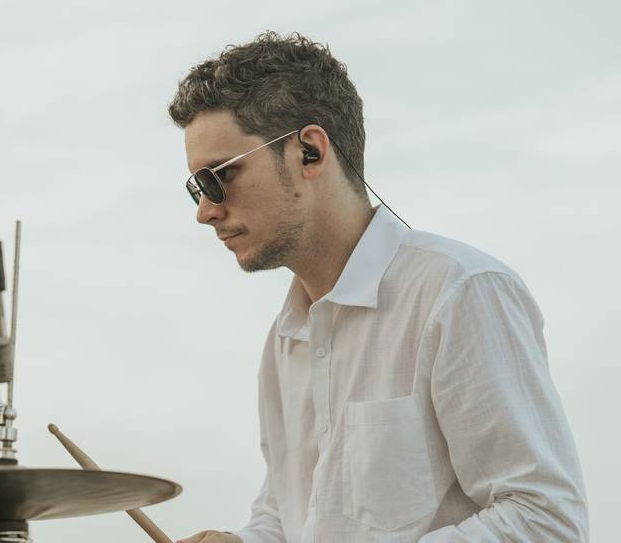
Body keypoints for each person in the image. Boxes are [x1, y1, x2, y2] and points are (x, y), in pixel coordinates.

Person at [169, 32, 588, 543]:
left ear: (309, 151)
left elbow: (545, 521)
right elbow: (289, 513)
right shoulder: (285, 338)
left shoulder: (460, 292)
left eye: (218, 177)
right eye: (197, 187)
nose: (205, 210)